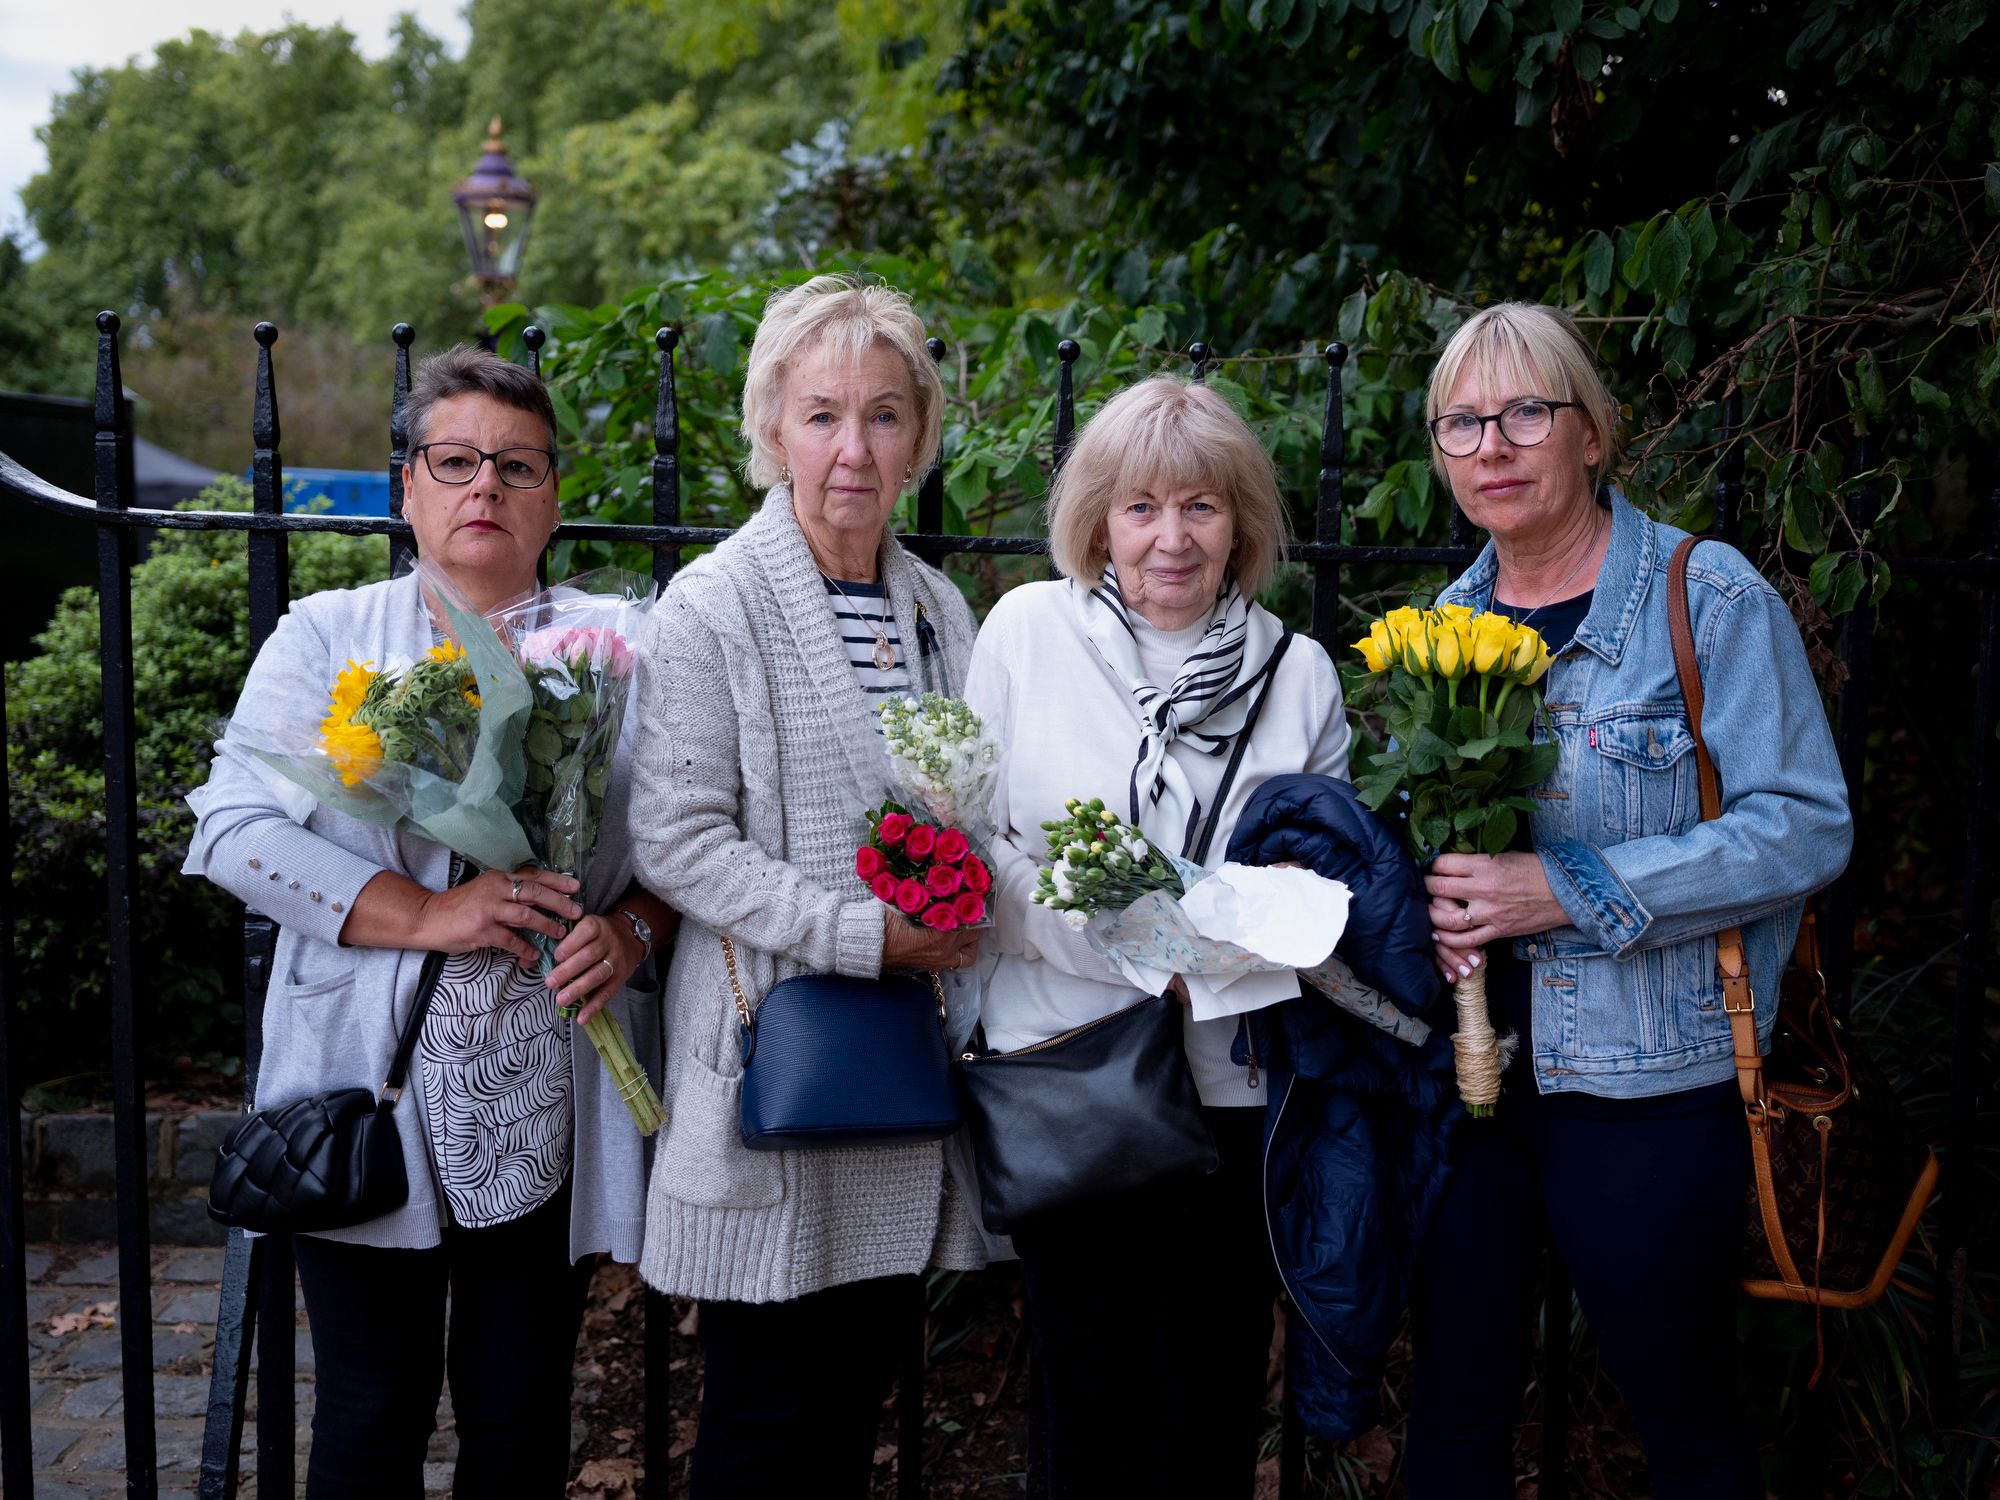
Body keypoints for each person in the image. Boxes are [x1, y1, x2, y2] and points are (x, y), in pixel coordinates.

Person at [184, 345, 676, 1497]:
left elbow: (686, 840)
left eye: (516, 466)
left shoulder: (628, 648)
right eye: (453, 462)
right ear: (406, 486)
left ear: (555, 494)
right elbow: (231, 830)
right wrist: (425, 911)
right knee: (368, 1411)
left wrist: (636, 929)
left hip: (548, 1078)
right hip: (370, 1081)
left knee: (519, 1416)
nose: (484, 490)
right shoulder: (330, 636)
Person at [1408, 302, 1852, 1498]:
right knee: (1452, 1418)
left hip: (1653, 1090)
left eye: (1523, 414)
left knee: (1687, 1426)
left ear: (1591, 434)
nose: (1490, 445)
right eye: (1461, 423)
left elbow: (1803, 824)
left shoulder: (1703, 599)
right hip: (1478, 1089)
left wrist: (1566, 889)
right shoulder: (1439, 630)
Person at [625, 274, 986, 1497]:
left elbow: (979, 809)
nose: (852, 449)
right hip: (768, 1074)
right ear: (771, 429)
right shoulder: (714, 605)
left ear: (918, 437)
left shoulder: (937, 610)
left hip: (893, 1077)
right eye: (821, 414)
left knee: (850, 1412)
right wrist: (859, 935)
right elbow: (675, 843)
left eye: (884, 416)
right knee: (763, 1418)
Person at [962, 373, 1351, 1497]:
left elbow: (1318, 898)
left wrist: (1223, 950)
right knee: (1083, 1405)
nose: (1169, 538)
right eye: (1139, 508)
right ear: (1098, 522)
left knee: (1209, 1403)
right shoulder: (1027, 633)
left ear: (1240, 524)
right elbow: (979, 848)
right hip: (1064, 1073)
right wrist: (1137, 948)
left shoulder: (1298, 675)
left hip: (1228, 1093)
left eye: (1199, 507)